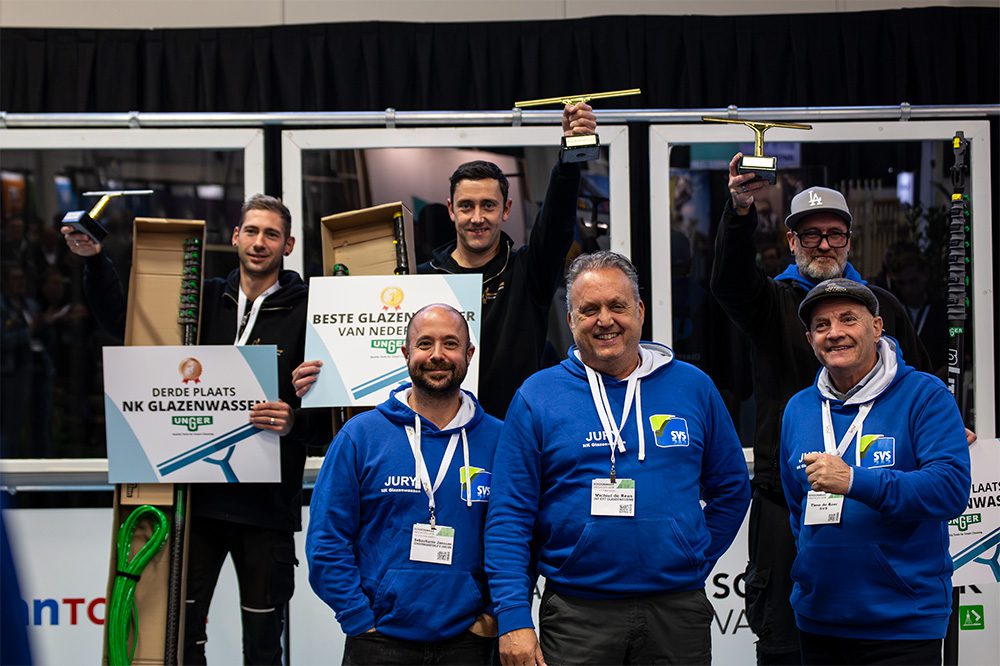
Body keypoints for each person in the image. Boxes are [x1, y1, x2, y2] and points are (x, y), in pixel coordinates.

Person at [63, 194, 328, 664]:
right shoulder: (203, 298)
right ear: (235, 238)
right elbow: (128, 326)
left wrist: (295, 419)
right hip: (198, 503)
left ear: (288, 244)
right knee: (183, 638)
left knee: (265, 646)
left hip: (267, 509)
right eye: (251, 231)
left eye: (271, 234)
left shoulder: (313, 313)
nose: (259, 242)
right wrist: (96, 263)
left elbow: (334, 418)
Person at [710, 154, 931, 665]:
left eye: (834, 233)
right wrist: (739, 208)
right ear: (792, 242)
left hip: (874, 496)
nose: (824, 244)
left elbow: (920, 387)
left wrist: (945, 430)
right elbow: (731, 283)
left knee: (874, 643)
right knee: (786, 645)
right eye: (810, 235)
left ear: (849, 240)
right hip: (785, 504)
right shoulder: (775, 303)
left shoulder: (881, 308)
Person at [485, 251, 750, 666]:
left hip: (677, 612)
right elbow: (509, 517)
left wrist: (693, 556)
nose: (604, 320)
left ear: (640, 311)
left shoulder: (692, 387)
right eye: (589, 309)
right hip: (577, 614)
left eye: (617, 306)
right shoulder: (537, 396)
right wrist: (513, 617)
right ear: (571, 319)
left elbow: (732, 490)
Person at [780, 278, 970, 665]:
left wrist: (854, 480)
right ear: (810, 339)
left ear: (877, 327)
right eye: (821, 326)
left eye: (848, 319)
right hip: (820, 620)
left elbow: (950, 489)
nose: (835, 334)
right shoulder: (798, 408)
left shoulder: (925, 395)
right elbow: (797, 507)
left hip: (904, 624)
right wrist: (812, 569)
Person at [306, 304, 501, 665]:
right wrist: (357, 617)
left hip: (469, 643)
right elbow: (326, 540)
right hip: (379, 642)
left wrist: (492, 614)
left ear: (469, 354)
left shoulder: (500, 440)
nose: (437, 355)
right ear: (406, 354)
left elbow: (520, 537)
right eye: (425, 344)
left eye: (451, 344)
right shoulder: (360, 436)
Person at [417, 102, 597, 419]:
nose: (477, 218)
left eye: (488, 205)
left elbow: (555, 222)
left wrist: (572, 151)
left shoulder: (529, 274)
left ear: (506, 209)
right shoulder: (422, 281)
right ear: (450, 210)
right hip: (436, 434)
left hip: (513, 436)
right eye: (466, 206)